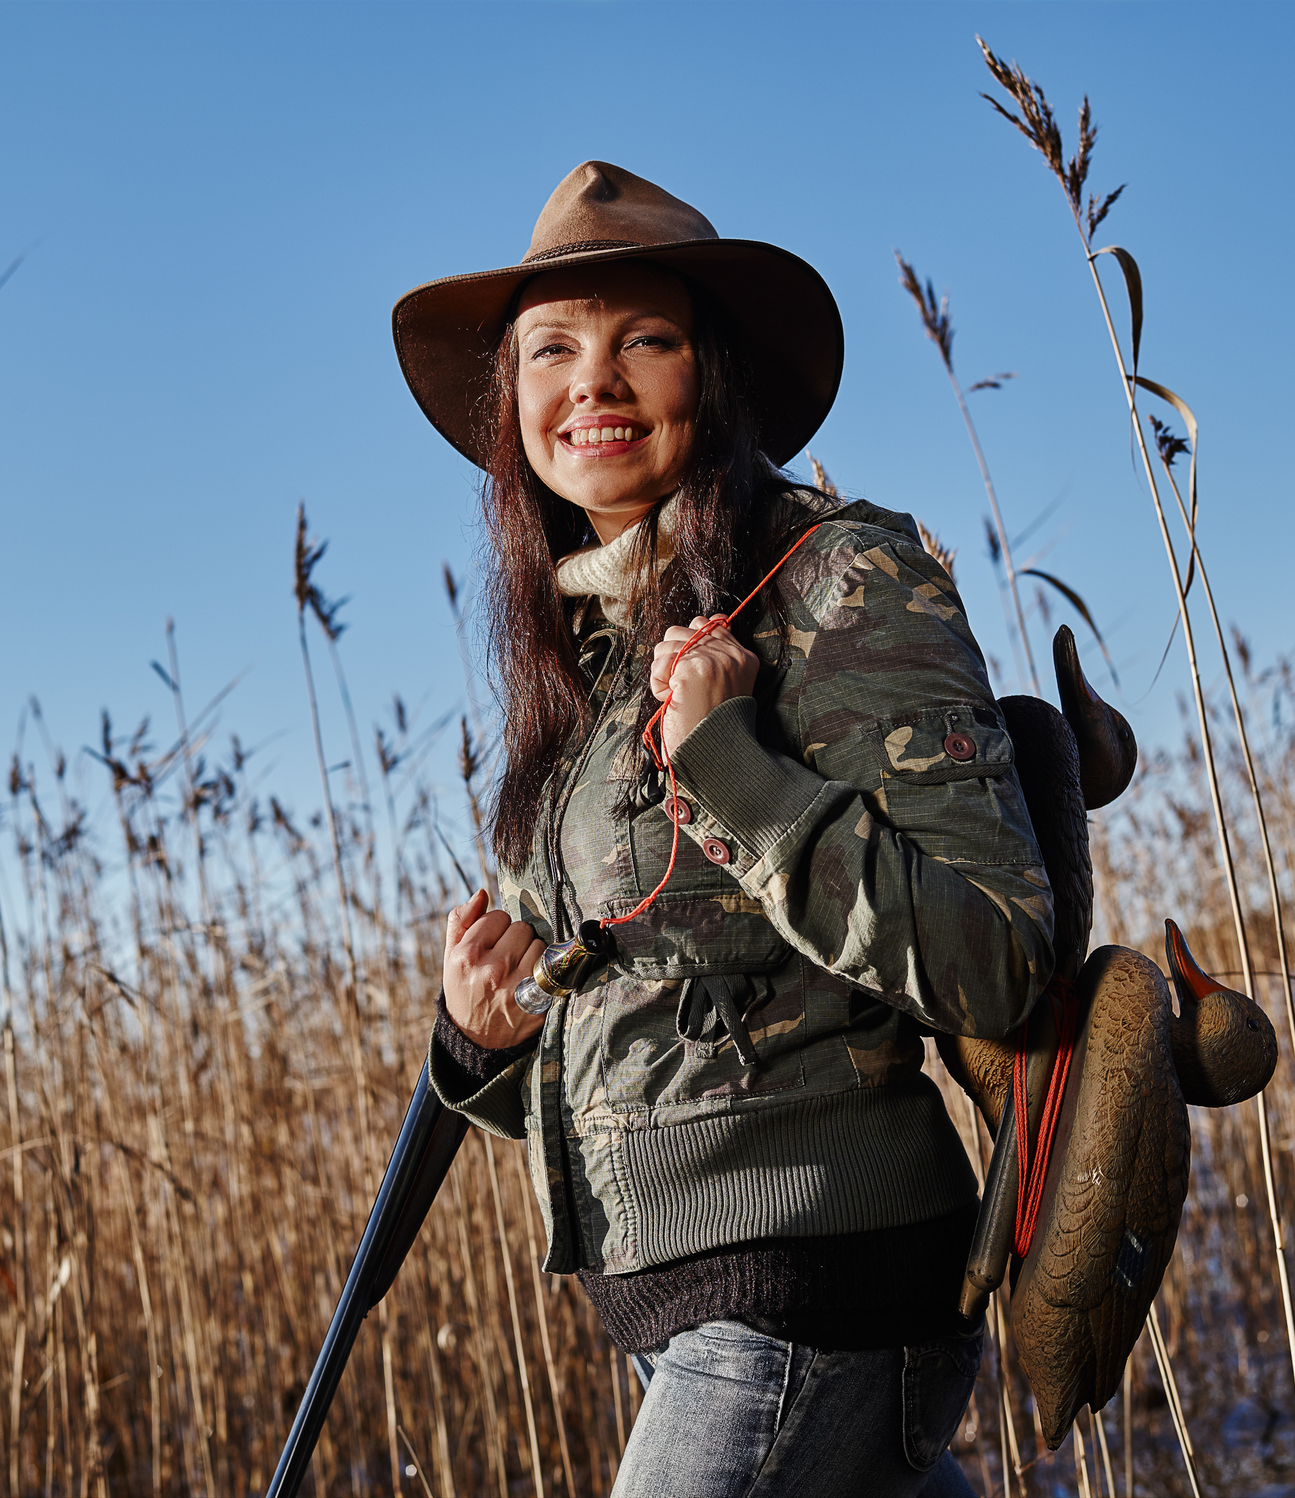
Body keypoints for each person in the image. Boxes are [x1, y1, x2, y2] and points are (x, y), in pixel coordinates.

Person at [391, 161, 1054, 1498]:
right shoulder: (577, 660)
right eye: (553, 350)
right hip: (685, 1311)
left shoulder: (838, 579)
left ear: (721, 371)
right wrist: (483, 1037)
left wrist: (735, 771)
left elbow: (1003, 959)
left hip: (818, 1289)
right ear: (510, 398)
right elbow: (648, 1058)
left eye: (647, 339)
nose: (594, 383)